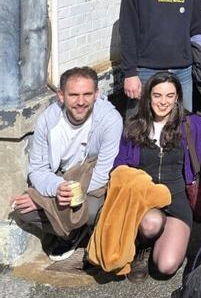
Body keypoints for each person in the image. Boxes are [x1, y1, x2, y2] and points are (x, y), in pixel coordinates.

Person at [10, 67, 123, 261]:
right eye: (73, 95)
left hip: (90, 179)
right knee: (22, 210)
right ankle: (69, 233)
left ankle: (72, 229)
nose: (81, 102)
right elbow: (37, 168)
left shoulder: (110, 120)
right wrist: (56, 188)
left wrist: (47, 200)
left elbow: (103, 172)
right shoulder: (47, 120)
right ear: (61, 96)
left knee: (92, 210)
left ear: (96, 94)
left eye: (87, 94)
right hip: (61, 178)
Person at [112, 72, 201, 282]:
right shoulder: (135, 126)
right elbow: (120, 165)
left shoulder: (191, 124)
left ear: (177, 97)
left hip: (177, 199)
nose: (163, 102)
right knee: (151, 224)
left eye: (169, 95)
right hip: (144, 200)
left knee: (166, 266)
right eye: (157, 95)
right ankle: (143, 246)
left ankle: (164, 237)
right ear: (148, 97)